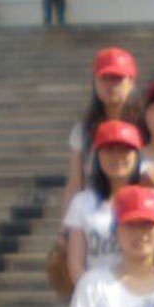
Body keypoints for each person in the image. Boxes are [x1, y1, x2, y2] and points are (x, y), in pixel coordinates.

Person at [64, 120, 143, 284]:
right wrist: (90, 294)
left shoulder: (151, 200)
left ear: (137, 155)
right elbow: (76, 263)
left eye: (124, 151)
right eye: (109, 151)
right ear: (98, 157)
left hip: (139, 295)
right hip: (97, 295)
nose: (116, 157)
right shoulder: (82, 202)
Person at [62, 47, 140, 213]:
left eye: (117, 79)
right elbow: (76, 181)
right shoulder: (84, 130)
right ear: (95, 83)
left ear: (131, 82)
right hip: (95, 215)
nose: (110, 85)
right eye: (105, 78)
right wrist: (65, 230)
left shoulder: (144, 126)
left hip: (137, 215)